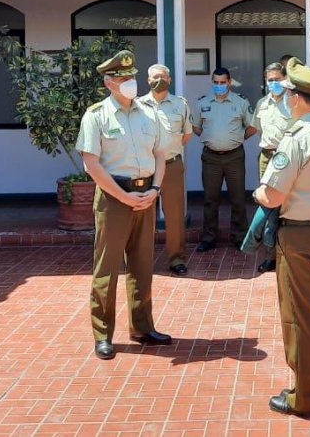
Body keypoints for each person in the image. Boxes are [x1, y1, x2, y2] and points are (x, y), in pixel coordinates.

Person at [254, 57, 310, 418]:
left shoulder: (298, 136)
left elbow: (273, 196)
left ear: (295, 97)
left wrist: (258, 194)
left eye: (288, 92)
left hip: (301, 240)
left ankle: (305, 397)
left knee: (300, 318)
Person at [76, 49, 171, 360]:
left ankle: (143, 327)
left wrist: (156, 188)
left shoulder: (149, 113)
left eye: (132, 76)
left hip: (146, 195)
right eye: (122, 78)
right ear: (109, 82)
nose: (130, 82)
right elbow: (91, 164)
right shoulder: (96, 115)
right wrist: (123, 196)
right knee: (107, 269)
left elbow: (159, 154)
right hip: (115, 198)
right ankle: (103, 334)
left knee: (143, 266)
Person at [191, 67, 255, 251]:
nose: (219, 86)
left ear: (229, 82)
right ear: (212, 82)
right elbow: (196, 127)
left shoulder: (240, 102)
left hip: (234, 156)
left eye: (223, 82)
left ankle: (239, 237)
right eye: (216, 82)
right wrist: (212, 138)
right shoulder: (202, 103)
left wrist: (236, 138)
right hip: (211, 157)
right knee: (210, 199)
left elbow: (252, 127)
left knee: (238, 198)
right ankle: (209, 238)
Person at [139, 64, 193, 276]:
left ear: (169, 80)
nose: (158, 80)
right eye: (154, 77)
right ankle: (141, 259)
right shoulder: (137, 105)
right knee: (143, 215)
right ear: (147, 80)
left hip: (171, 165)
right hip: (145, 167)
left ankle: (176, 258)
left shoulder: (180, 105)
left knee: (175, 215)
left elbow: (186, 135)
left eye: (162, 77)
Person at [250, 62, 295, 273]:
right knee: (268, 205)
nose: (273, 83)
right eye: (270, 80)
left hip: (287, 159)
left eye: (277, 79)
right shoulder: (262, 103)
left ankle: (285, 252)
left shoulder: (292, 102)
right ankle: (270, 255)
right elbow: (260, 131)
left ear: (285, 79)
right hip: (267, 158)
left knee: (285, 207)